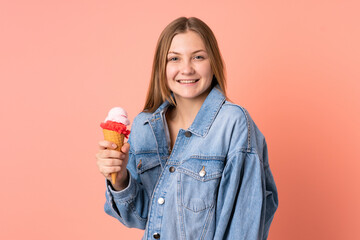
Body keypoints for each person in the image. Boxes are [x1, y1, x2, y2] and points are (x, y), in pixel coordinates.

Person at [96, 16, 278, 240]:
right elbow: (140, 217)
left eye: (198, 57)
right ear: (161, 66)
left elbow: (244, 227)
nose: (186, 69)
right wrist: (121, 177)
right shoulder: (145, 126)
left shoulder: (233, 124)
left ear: (213, 63)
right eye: (174, 58)